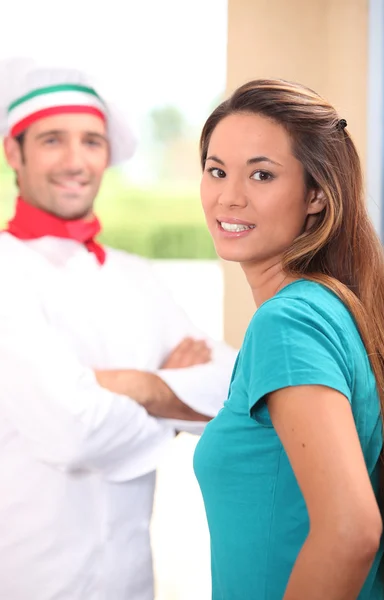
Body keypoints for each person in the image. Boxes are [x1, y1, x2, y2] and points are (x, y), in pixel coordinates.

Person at [0, 57, 236, 600]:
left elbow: (229, 388)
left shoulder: (137, 275)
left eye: (91, 141)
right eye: (53, 139)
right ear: (15, 152)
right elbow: (74, 431)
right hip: (26, 580)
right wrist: (170, 404)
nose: (75, 160)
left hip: (130, 581)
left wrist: (128, 385)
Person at [193, 78, 384, 600]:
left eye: (261, 174)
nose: (229, 196)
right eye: (216, 171)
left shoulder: (288, 323)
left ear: (316, 195)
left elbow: (351, 530)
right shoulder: (338, 308)